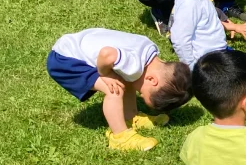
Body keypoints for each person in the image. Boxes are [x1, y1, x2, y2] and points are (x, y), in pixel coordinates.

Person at [46, 28, 192, 151]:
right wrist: (106, 74)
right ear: (152, 80)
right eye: (142, 93)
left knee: (126, 78)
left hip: (71, 47)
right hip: (65, 61)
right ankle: (120, 137)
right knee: (114, 88)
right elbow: (106, 54)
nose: (140, 92)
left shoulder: (150, 50)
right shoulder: (134, 65)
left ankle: (130, 117)